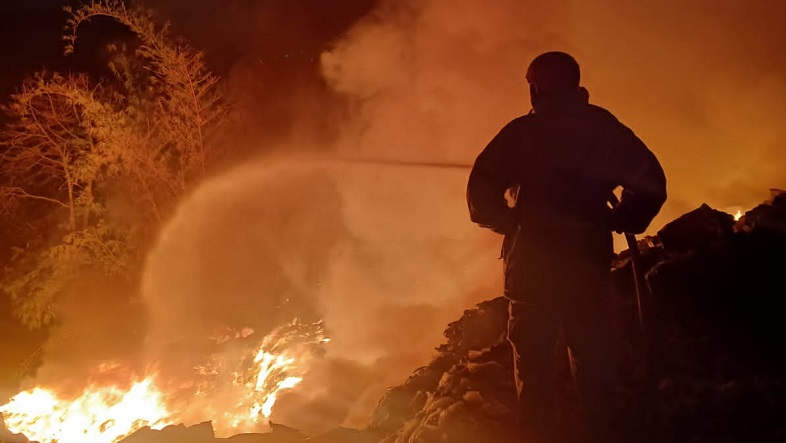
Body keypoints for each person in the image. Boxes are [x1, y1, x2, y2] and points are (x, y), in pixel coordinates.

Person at [467, 51, 667, 443]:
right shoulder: (602, 129)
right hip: (586, 266)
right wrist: (623, 218)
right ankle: (601, 432)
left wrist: (511, 222)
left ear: (535, 87)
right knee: (595, 362)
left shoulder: (522, 133)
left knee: (534, 366)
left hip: (532, 273)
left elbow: (480, 194)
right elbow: (650, 180)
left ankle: (538, 435)